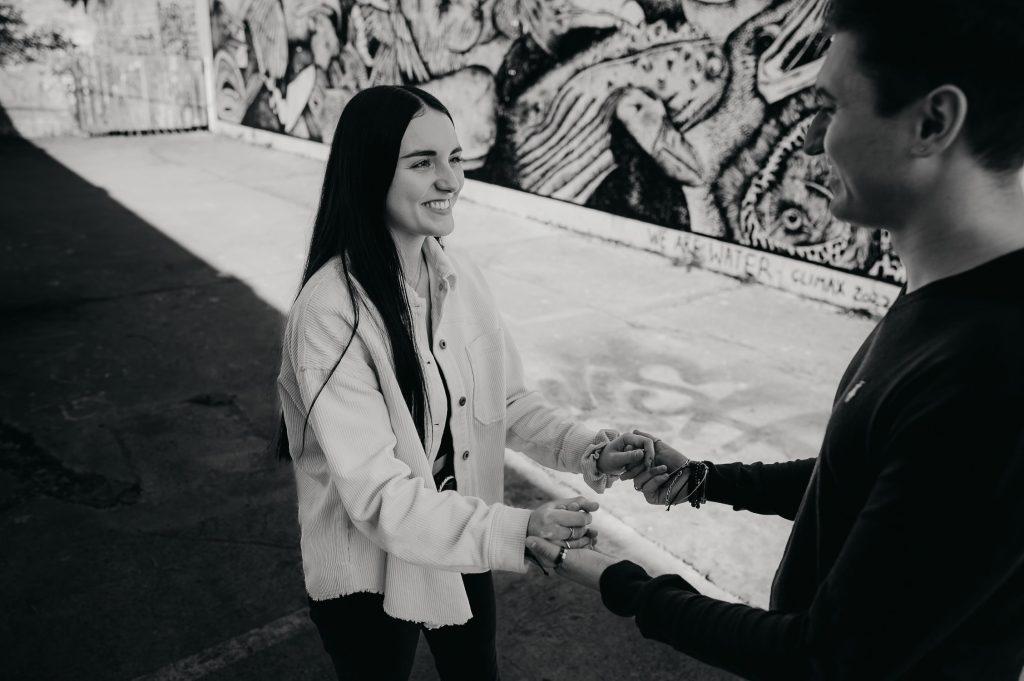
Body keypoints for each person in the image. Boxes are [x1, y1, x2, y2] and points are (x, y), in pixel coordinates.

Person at [526, 0, 1024, 678]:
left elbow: (823, 656)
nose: (816, 139)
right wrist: (703, 477)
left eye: (834, 106)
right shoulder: (946, 299)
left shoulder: (990, 369)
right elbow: (867, 487)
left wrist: (618, 579)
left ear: (932, 122)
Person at [274, 84, 653, 681]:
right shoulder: (329, 311)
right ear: (369, 172)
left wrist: (591, 448)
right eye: (423, 163)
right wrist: (522, 527)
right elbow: (378, 497)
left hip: (460, 536)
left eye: (455, 159)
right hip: (367, 571)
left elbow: (504, 402)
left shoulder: (459, 275)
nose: (450, 180)